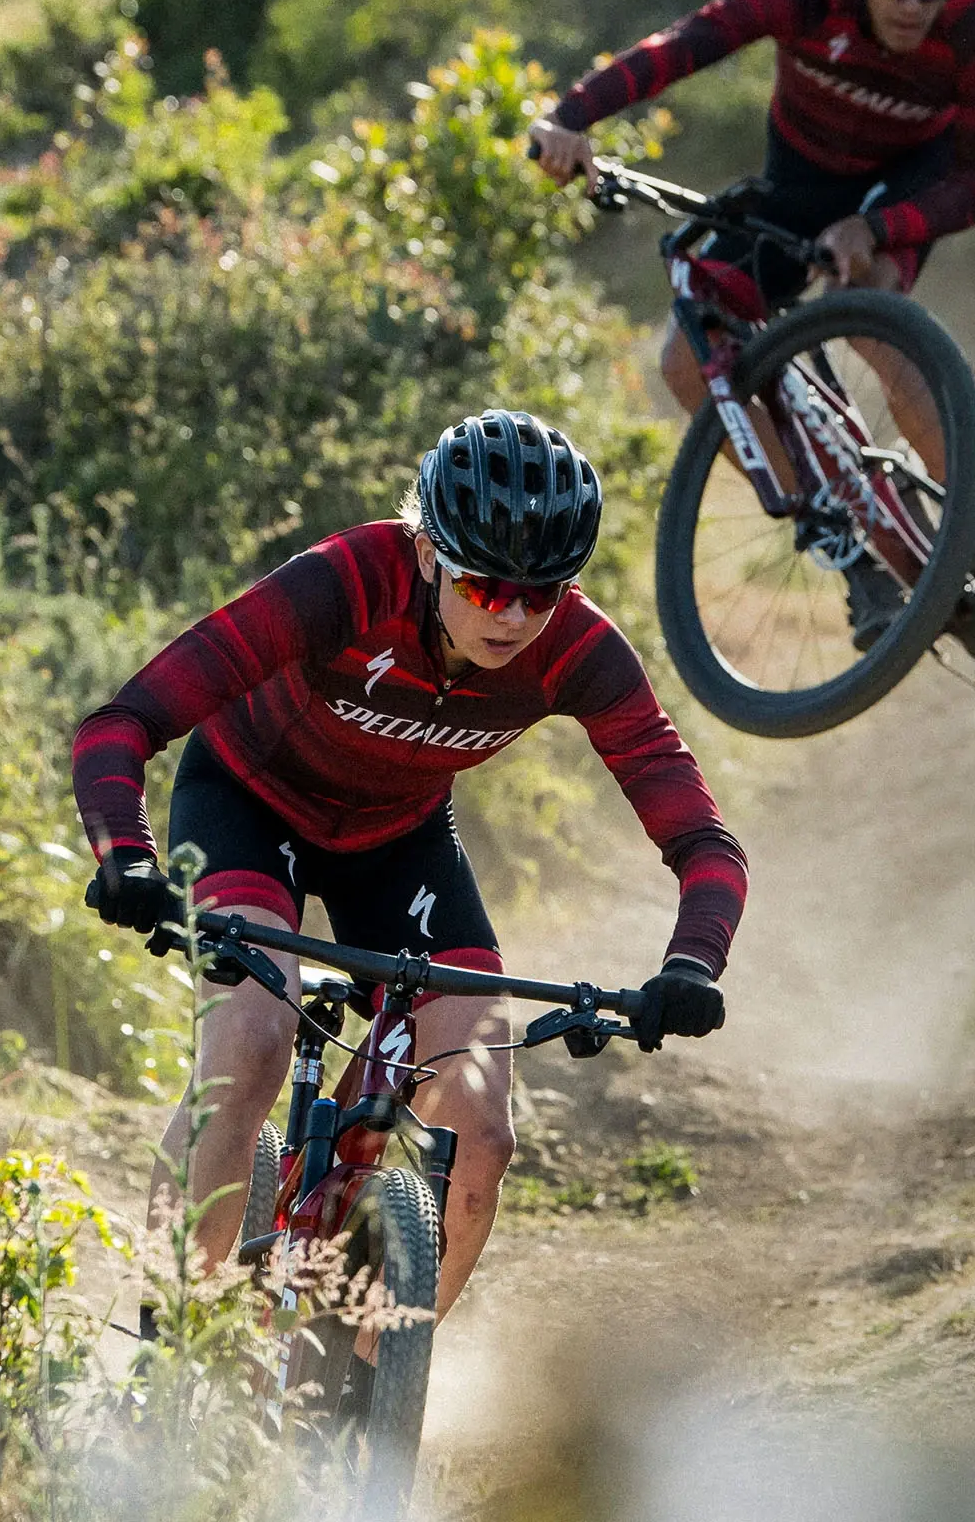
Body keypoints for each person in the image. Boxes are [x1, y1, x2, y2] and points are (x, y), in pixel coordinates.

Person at [73, 411, 744, 1321]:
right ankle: (158, 1348)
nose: (508, 614)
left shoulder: (581, 654)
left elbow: (703, 841)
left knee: (482, 1136)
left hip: (398, 842)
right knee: (250, 1043)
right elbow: (123, 723)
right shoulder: (344, 583)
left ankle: (358, 1409)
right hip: (245, 804)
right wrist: (127, 856)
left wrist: (691, 964)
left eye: (539, 594)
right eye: (482, 582)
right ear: (429, 552)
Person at [526, 0, 975, 647]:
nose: (912, 2)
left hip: (904, 190)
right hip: (798, 188)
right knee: (688, 363)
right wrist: (570, 117)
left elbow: (973, 187)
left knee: (871, 315)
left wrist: (876, 228)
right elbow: (687, 45)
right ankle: (855, 560)